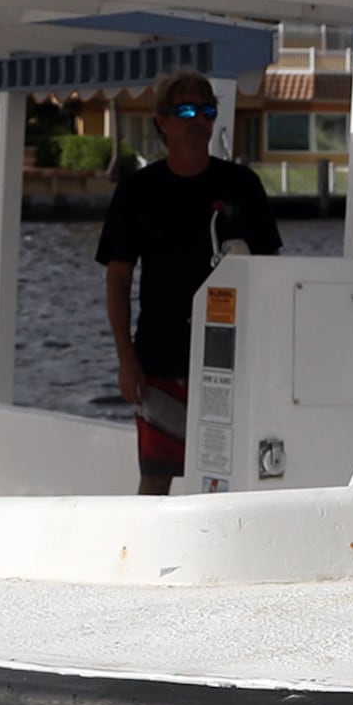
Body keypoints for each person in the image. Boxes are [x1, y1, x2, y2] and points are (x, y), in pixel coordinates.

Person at [96, 72, 282, 494]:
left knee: (227, 473)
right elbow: (118, 278)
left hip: (232, 359)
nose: (198, 119)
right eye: (186, 111)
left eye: (207, 110)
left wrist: (269, 358)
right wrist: (126, 359)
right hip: (159, 356)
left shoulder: (242, 187)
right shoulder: (137, 192)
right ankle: (145, 557)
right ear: (162, 121)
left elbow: (271, 271)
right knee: (156, 474)